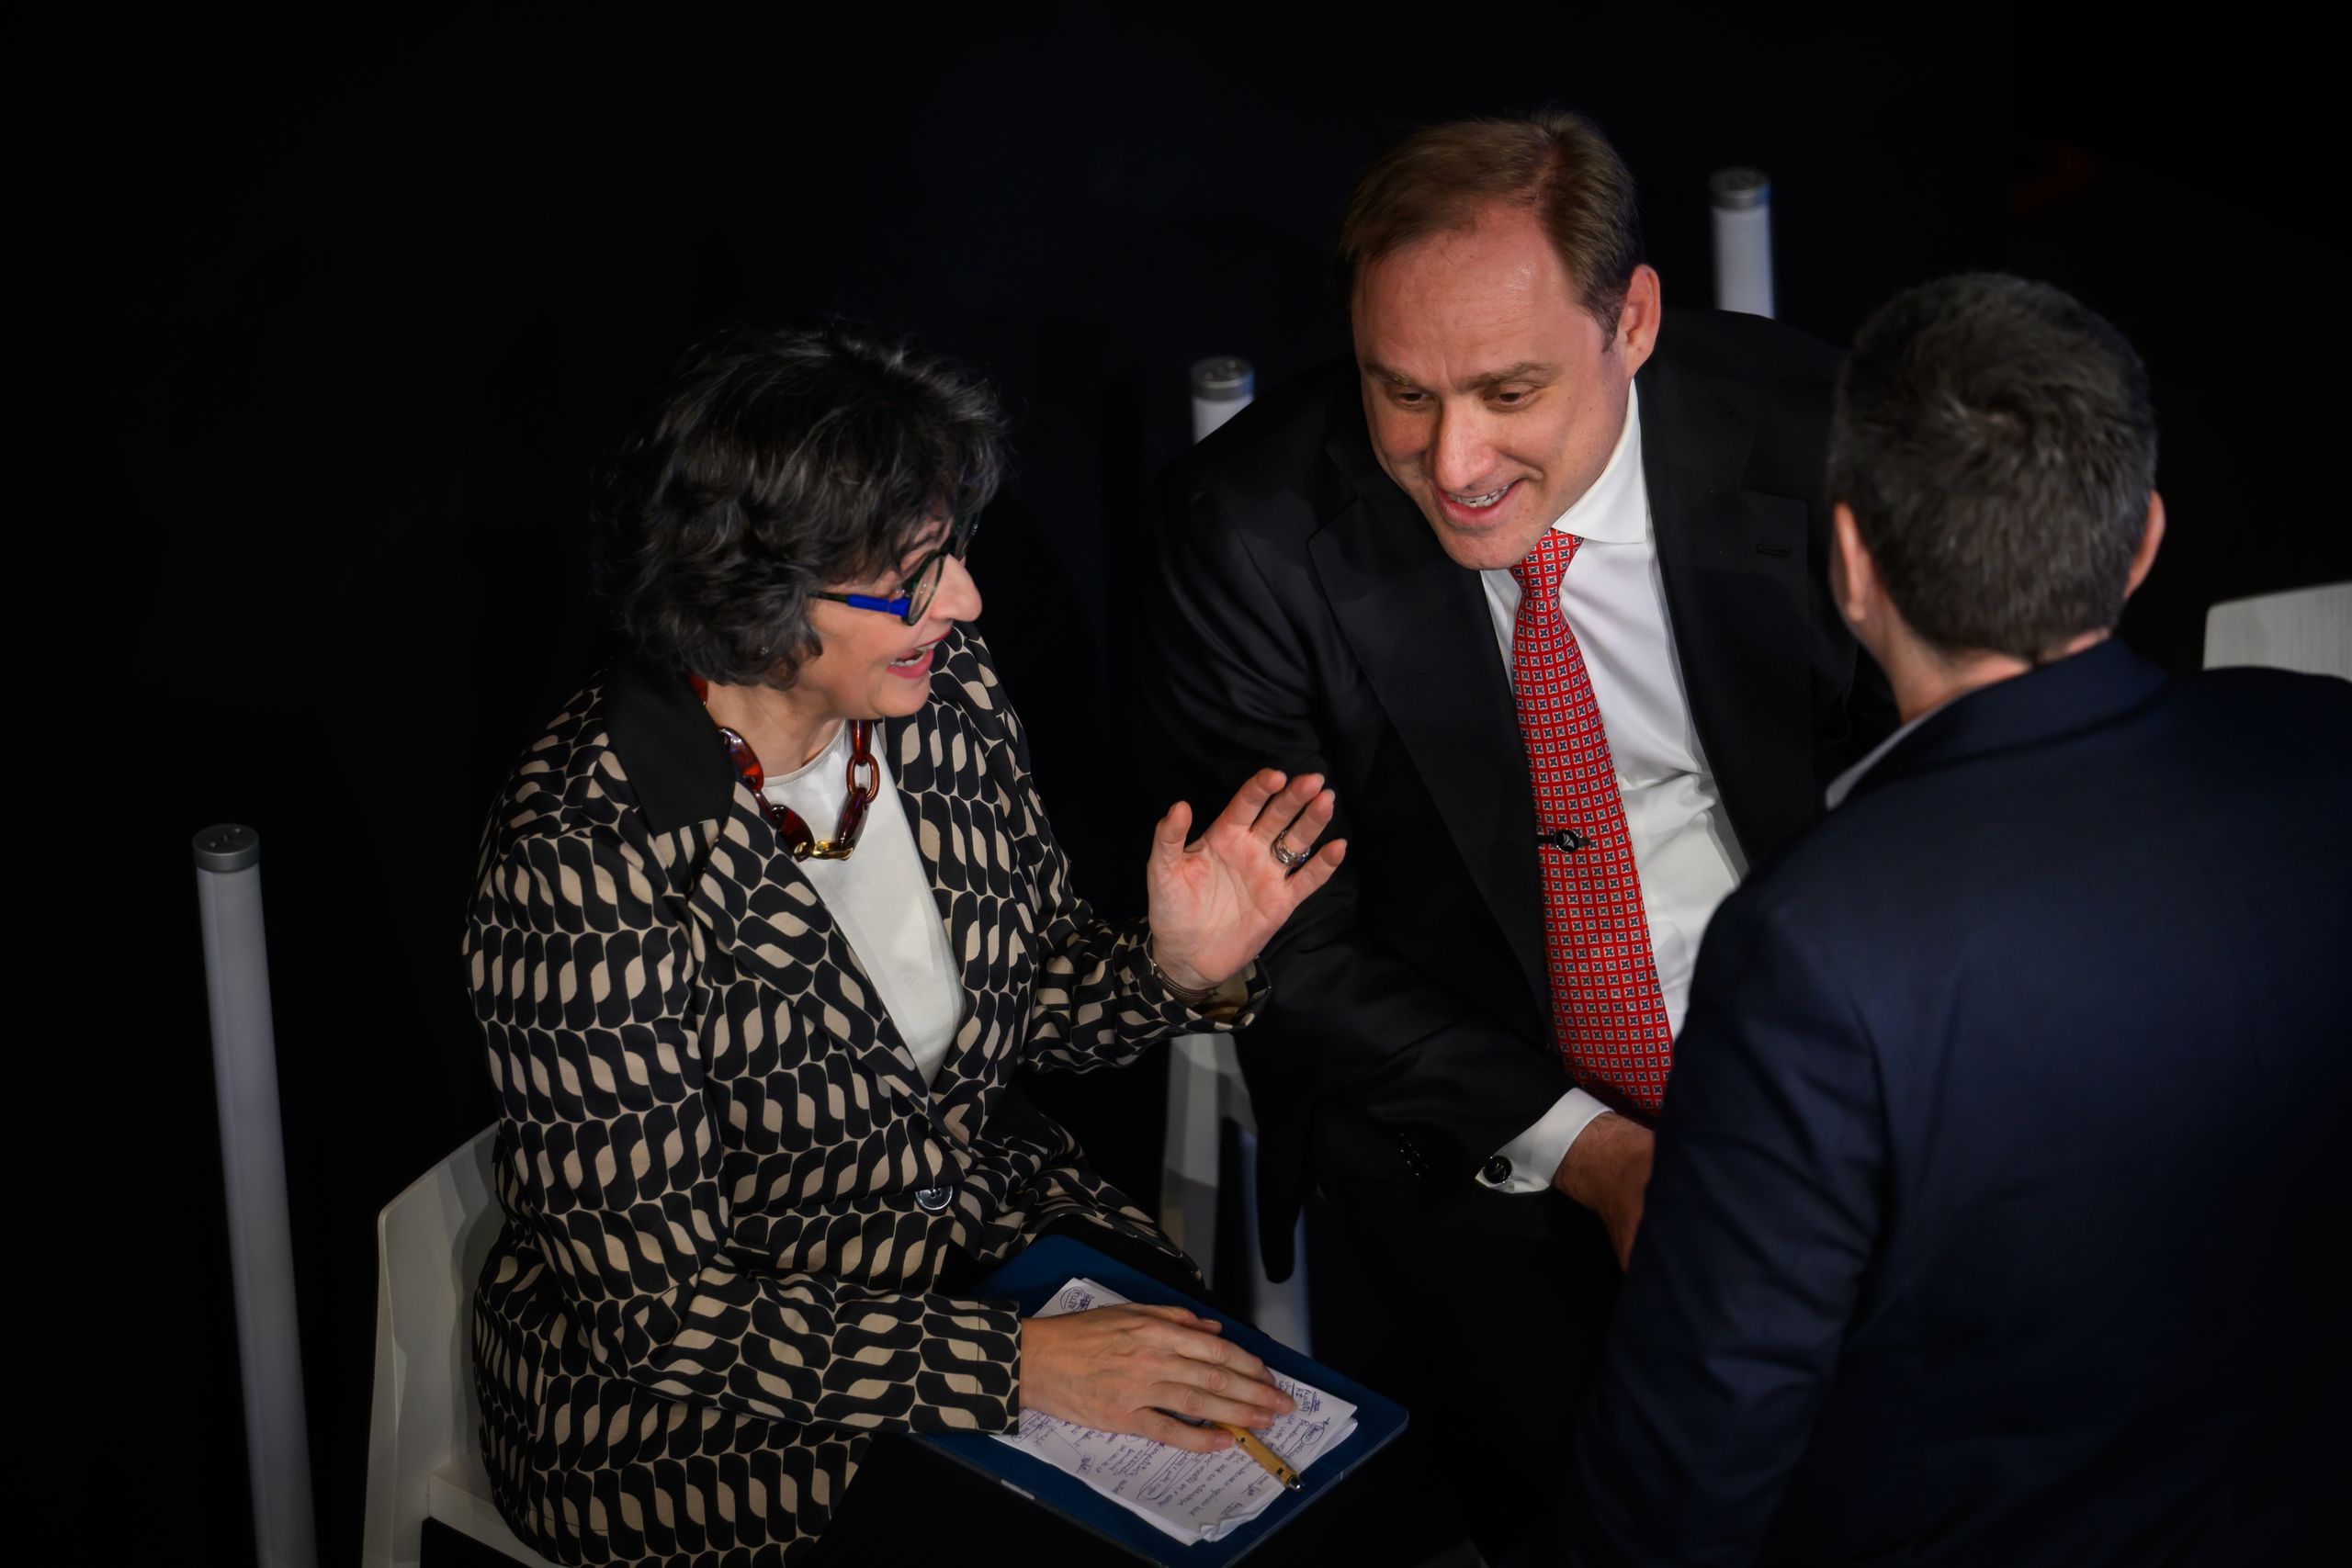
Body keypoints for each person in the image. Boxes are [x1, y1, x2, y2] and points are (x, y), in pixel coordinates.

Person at [463, 322, 1347, 1565]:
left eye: (956, 553)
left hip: (984, 1249)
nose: (968, 600)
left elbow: (1029, 1005)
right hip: (705, 1409)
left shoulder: (943, 697)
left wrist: (1177, 972)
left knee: (1282, 1498)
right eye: (915, 572)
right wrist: (1017, 1365)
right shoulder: (585, 858)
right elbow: (657, 1316)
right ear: (749, 594)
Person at [1137, 111, 1894, 1551]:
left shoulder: (1813, 432)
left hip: (1812, 1049)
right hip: (1478, 1112)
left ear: (1638, 321)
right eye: (1399, 392)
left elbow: (1922, 784)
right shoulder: (1247, 537)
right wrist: (1605, 1157)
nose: (1454, 458)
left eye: (1508, 389)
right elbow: (1297, 954)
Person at [1520, 274, 2350, 1567]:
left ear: (1850, 565)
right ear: (2141, 543)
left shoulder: (1813, 948)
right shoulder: (2328, 747)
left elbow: (1697, 1452)